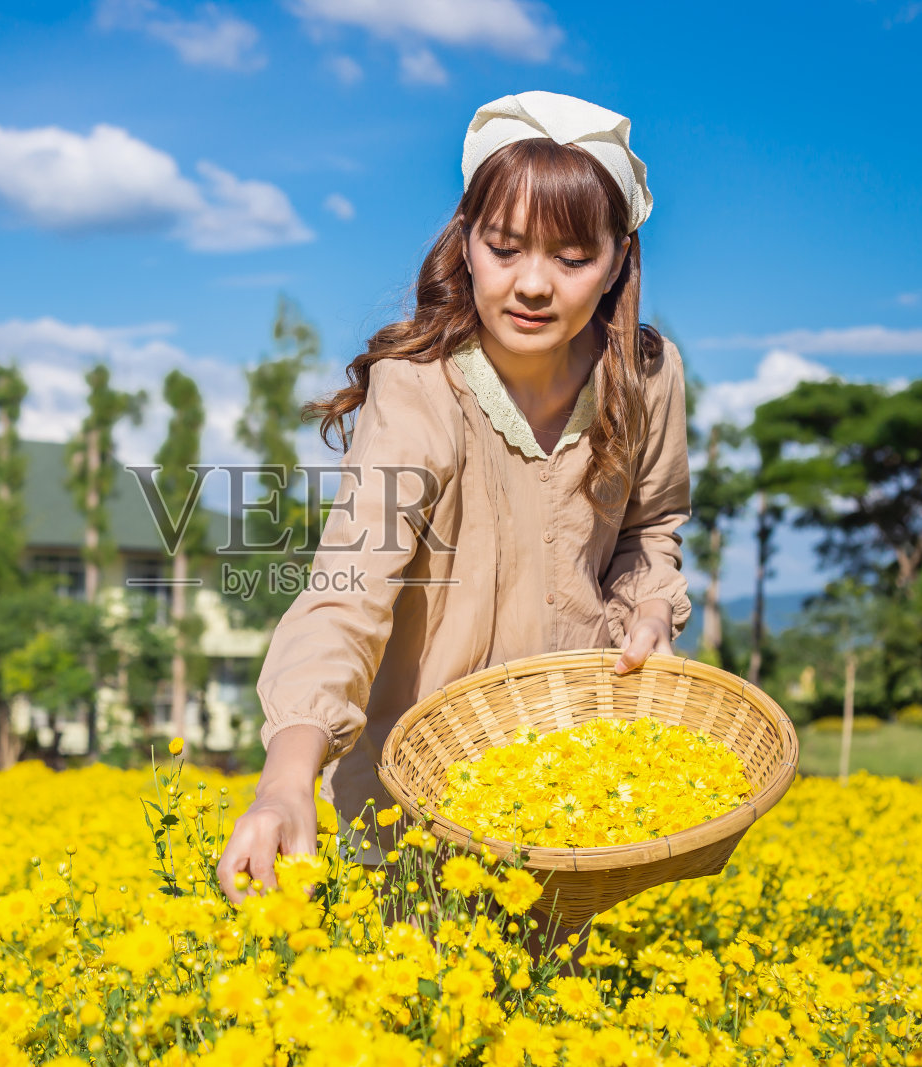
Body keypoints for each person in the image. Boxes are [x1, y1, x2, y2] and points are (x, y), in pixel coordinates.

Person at [215, 91, 693, 965]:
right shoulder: (420, 388)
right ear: (465, 239)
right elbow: (348, 591)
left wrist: (649, 611)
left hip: (569, 789)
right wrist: (288, 778)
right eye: (504, 248)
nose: (534, 283)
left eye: (574, 256)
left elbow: (650, 526)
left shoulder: (647, 376)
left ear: (621, 260)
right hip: (413, 801)